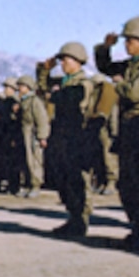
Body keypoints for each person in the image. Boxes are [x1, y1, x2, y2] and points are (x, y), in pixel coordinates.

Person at [95, 16, 139, 253]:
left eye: (132, 40)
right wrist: (106, 48)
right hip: (129, 127)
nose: (127, 44)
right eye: (126, 40)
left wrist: (119, 83)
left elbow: (134, 93)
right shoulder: (131, 66)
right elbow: (105, 67)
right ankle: (137, 229)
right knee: (128, 183)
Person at [39, 42, 103, 237]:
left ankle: (80, 220)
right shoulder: (64, 82)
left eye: (66, 60)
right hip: (62, 136)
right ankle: (73, 217)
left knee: (77, 180)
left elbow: (66, 99)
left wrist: (56, 93)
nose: (63, 64)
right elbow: (43, 92)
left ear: (77, 61)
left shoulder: (84, 83)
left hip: (78, 136)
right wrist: (43, 72)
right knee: (63, 179)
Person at [15, 74, 49, 198]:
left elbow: (42, 119)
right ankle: (27, 184)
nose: (19, 88)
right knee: (25, 160)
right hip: (24, 134)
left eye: (21, 86)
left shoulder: (35, 101)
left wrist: (42, 136)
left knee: (34, 160)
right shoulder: (23, 101)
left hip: (32, 134)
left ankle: (35, 185)